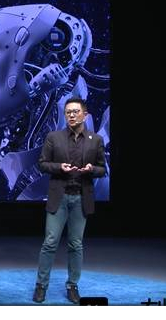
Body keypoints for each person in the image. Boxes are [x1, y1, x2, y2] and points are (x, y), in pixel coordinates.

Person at [32, 97, 106, 304]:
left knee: (76, 244)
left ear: (85, 114)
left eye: (75, 111)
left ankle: (72, 285)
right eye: (68, 112)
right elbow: (42, 164)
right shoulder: (54, 137)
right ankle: (41, 286)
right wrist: (59, 167)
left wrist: (92, 169)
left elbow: (102, 169)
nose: (71, 115)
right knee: (50, 242)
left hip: (81, 198)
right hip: (59, 196)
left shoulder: (95, 140)